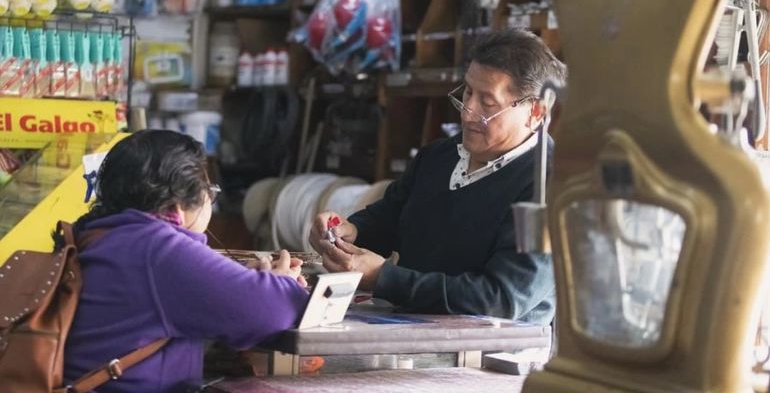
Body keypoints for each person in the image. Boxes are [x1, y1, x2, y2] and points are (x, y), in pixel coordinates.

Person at [310, 29, 566, 324]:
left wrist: (384, 278)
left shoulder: (551, 187)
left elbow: (500, 299)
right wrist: (349, 232)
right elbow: (393, 216)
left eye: (488, 103)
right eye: (468, 92)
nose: (468, 112)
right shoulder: (439, 157)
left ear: (535, 111)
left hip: (495, 357)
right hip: (412, 334)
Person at [63, 130, 308, 393]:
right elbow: (271, 309)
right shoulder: (155, 248)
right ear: (179, 203)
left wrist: (250, 281)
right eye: (209, 192)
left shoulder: (102, 236)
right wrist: (284, 283)